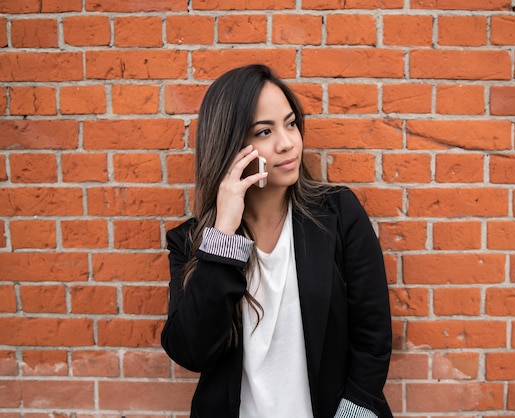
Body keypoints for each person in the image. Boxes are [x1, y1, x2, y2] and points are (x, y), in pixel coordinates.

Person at [161, 64, 393, 418]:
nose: (288, 143)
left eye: (290, 123)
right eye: (265, 131)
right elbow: (192, 351)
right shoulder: (193, 242)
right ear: (229, 145)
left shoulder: (338, 213)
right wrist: (223, 232)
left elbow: (372, 335)